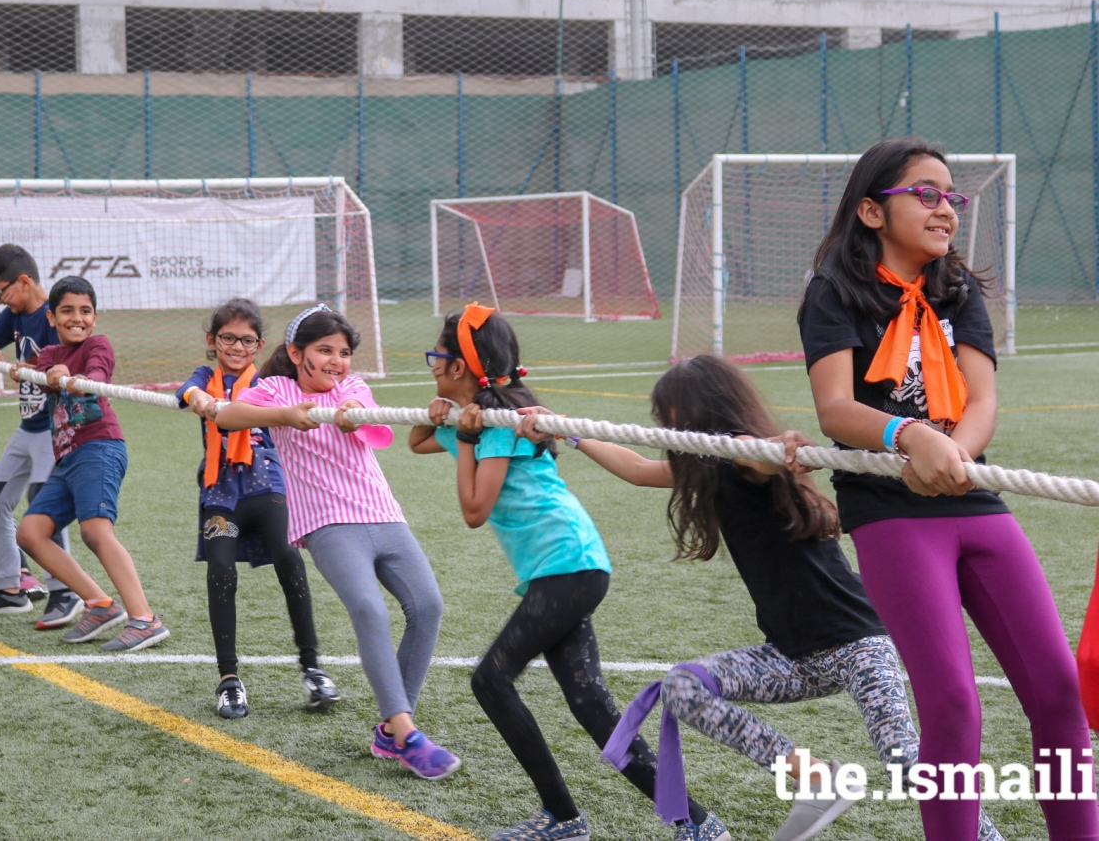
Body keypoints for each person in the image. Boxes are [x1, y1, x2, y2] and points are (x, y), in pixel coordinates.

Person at [521, 355, 1002, 841]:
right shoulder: (710, 467)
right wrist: (569, 433)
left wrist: (779, 448)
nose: (662, 425)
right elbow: (641, 469)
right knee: (682, 688)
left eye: (667, 414)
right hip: (793, 656)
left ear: (694, 412)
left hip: (858, 645)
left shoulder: (743, 458)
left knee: (905, 762)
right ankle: (817, 778)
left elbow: (758, 454)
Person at [797, 137, 1097, 839]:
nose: (947, 209)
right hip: (888, 512)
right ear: (872, 211)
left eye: (951, 197)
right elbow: (835, 407)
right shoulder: (833, 293)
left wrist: (954, 454)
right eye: (926, 194)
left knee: (1057, 690)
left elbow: (983, 401)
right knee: (954, 703)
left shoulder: (957, 291)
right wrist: (911, 437)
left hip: (973, 501)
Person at [408, 304, 728, 841]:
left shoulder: (496, 425)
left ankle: (562, 815)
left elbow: (473, 511)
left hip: (568, 565)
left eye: (438, 357)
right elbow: (417, 441)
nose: (432, 364)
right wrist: (439, 411)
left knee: (490, 680)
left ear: (460, 364)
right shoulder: (483, 414)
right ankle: (696, 823)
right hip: (568, 566)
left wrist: (464, 436)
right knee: (590, 705)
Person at [193, 304, 458, 779]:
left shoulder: (350, 388)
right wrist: (285, 416)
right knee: (370, 610)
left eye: (343, 352)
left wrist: (351, 412)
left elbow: (368, 422)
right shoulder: (275, 388)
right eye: (324, 350)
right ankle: (408, 733)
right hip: (329, 527)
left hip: (385, 517)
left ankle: (391, 731)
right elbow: (230, 416)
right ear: (296, 353)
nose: (337, 360)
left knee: (429, 606)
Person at [179, 298, 340, 718]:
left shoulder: (268, 380)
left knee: (289, 557)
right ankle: (228, 679)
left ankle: (312, 667)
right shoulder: (205, 377)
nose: (236, 346)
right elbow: (187, 390)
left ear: (259, 345)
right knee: (221, 572)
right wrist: (198, 396)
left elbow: (306, 373)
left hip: (265, 483)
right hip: (219, 491)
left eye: (246, 340)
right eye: (228, 338)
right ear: (213, 341)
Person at [15, 276, 169, 651]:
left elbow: (97, 374)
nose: (77, 318)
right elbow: (44, 372)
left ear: (95, 317)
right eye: (67, 311)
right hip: (68, 459)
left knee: (96, 532)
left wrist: (76, 379)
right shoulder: (51, 354)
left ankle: (145, 619)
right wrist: (8, 363)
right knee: (30, 533)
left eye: (85, 311)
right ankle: (100, 605)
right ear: (52, 317)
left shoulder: (98, 345)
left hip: (100, 447)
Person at [0, 244, 81, 627]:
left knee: (43, 506)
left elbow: (70, 360)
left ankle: (66, 592)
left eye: (2, 291)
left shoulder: (54, 314)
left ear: (24, 281)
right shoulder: (13, 315)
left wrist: (26, 365)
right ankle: (10, 589)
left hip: (55, 430)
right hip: (27, 429)